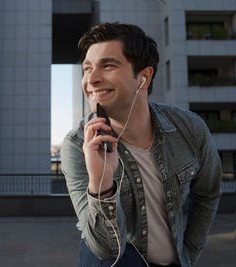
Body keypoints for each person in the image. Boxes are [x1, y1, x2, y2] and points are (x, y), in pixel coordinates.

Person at [61, 22, 222, 267]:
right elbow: (105, 249)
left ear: (143, 77)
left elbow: (208, 193)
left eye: (107, 65)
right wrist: (102, 183)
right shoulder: (77, 145)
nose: (91, 79)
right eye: (87, 68)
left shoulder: (189, 128)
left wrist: (189, 251)